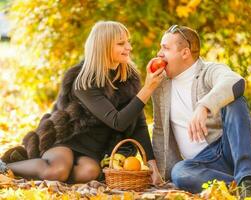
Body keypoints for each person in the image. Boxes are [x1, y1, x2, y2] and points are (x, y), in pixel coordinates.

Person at [0, 21, 164, 184]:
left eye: (128, 42)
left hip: (93, 148)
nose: (129, 47)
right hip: (67, 138)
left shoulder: (129, 78)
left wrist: (153, 168)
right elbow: (117, 121)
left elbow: (139, 124)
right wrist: (148, 89)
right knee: (57, 170)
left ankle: (32, 166)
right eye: (121, 43)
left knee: (90, 172)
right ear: (103, 47)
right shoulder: (83, 80)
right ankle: (5, 166)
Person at [151, 25, 251, 198]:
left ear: (185, 53)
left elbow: (235, 81)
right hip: (203, 165)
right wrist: (157, 169)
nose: (159, 53)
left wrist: (204, 106)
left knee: (234, 100)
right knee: (180, 172)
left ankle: (247, 176)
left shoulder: (209, 71)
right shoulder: (161, 85)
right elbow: (159, 129)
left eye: (165, 48)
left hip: (233, 148)